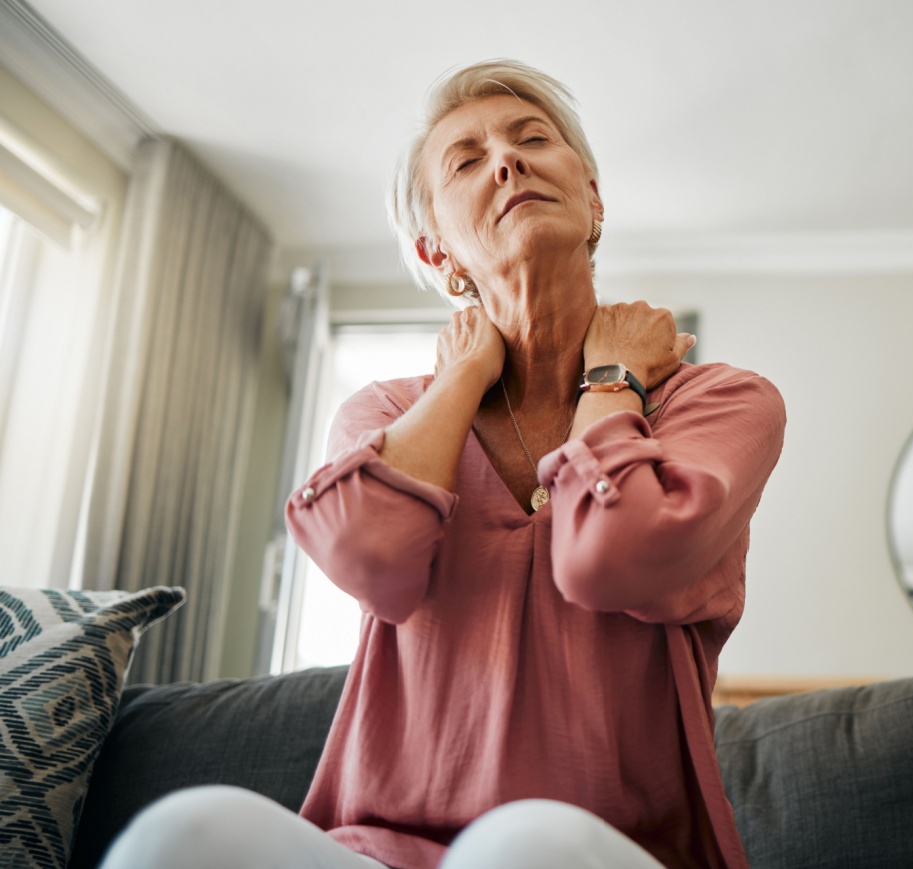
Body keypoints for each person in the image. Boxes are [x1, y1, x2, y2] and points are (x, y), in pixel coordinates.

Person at [100, 59, 785, 869]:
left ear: (593, 200)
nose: (508, 160)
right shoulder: (386, 414)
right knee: (182, 835)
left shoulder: (719, 402)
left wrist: (611, 383)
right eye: (467, 159)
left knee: (521, 845)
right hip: (381, 849)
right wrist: (463, 372)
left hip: (600, 850)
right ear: (435, 248)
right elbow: (370, 557)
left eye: (534, 139)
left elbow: (609, 559)